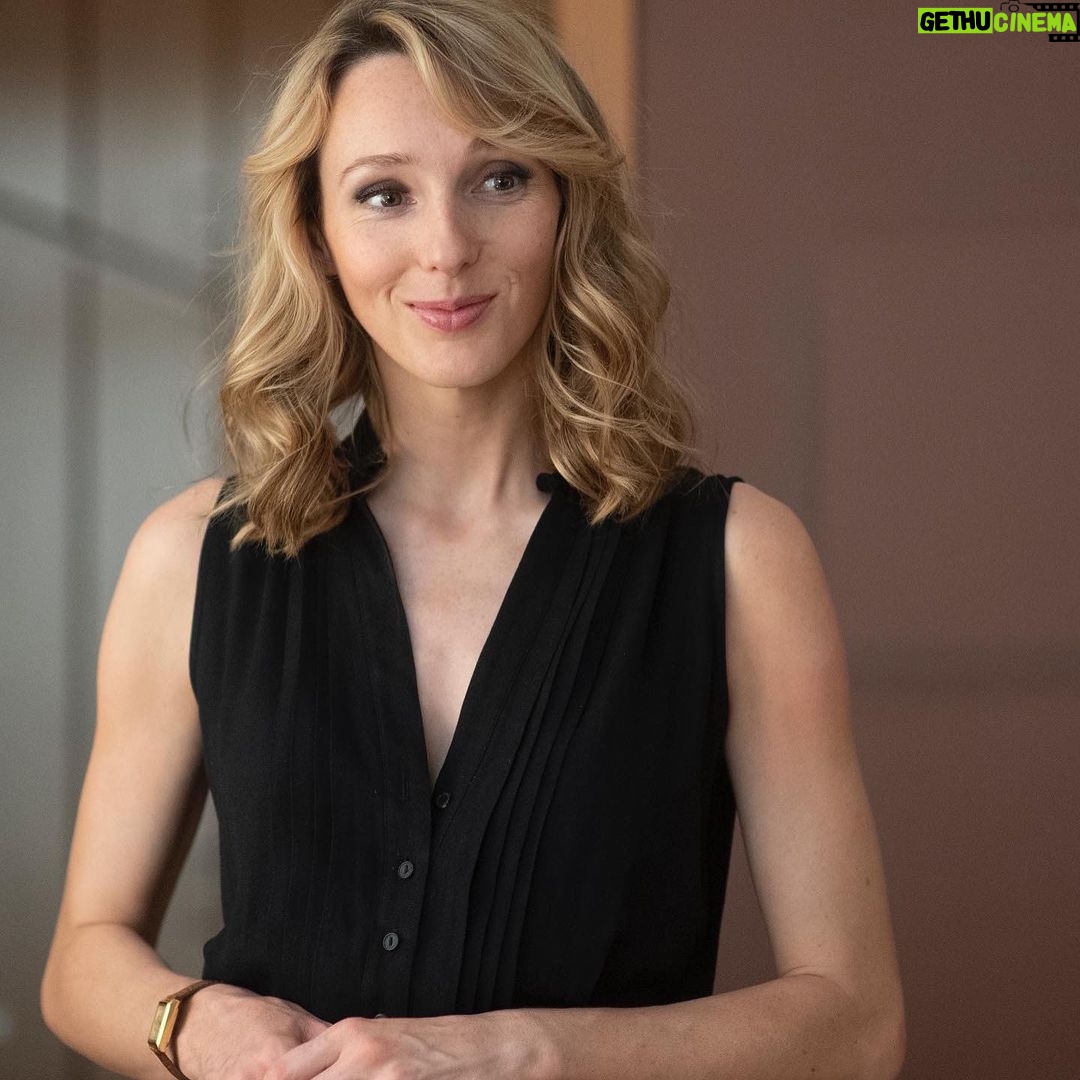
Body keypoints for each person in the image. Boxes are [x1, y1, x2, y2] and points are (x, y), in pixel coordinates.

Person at [40, 1, 906, 1078]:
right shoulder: (191, 558)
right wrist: (197, 1025)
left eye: (500, 178)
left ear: (567, 206)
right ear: (317, 233)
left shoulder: (740, 561)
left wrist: (521, 1053)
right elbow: (81, 959)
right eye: (384, 193)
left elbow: (857, 1025)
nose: (446, 249)